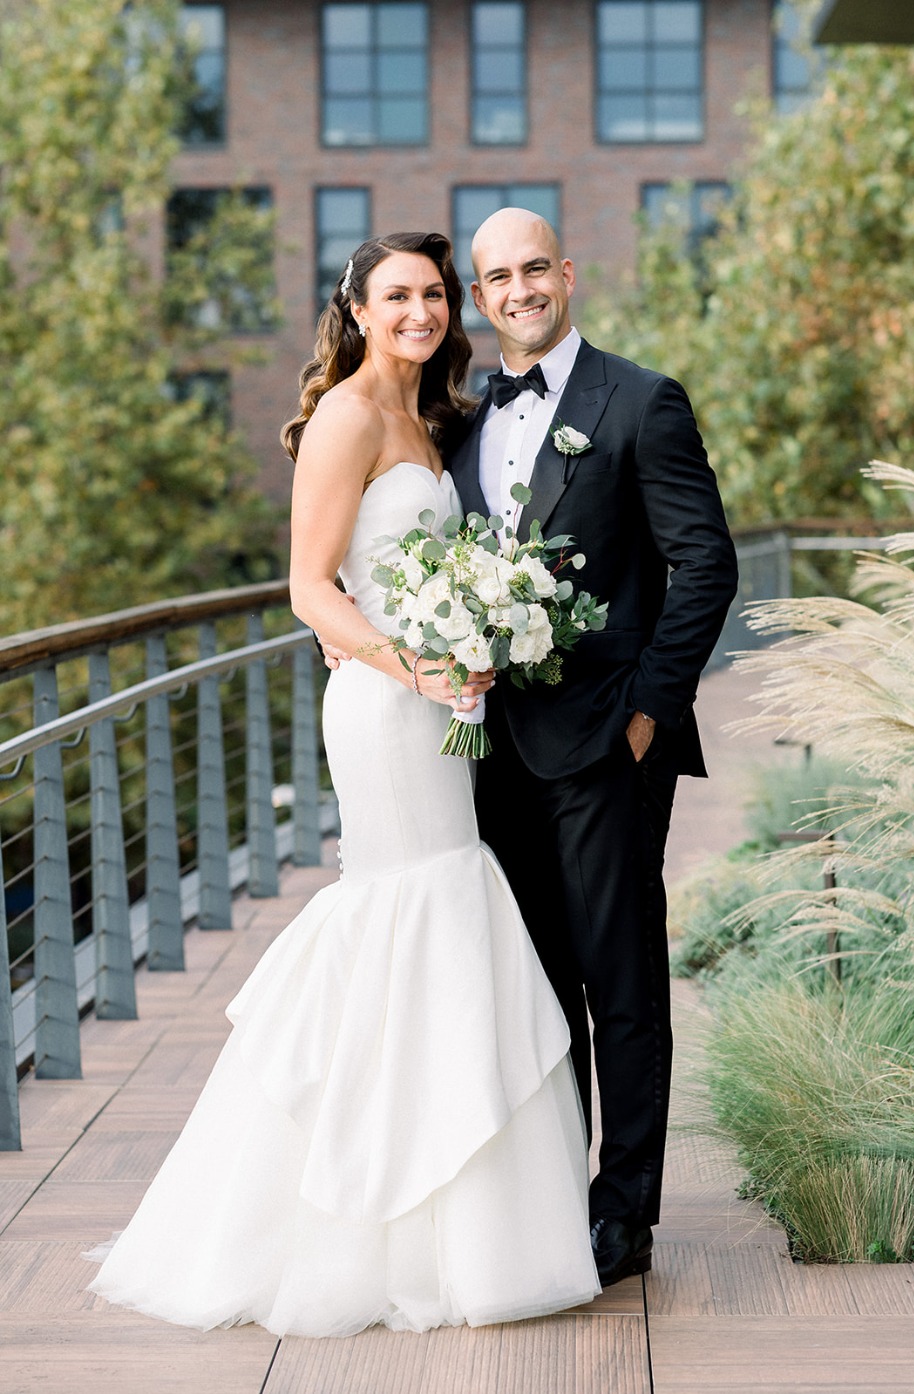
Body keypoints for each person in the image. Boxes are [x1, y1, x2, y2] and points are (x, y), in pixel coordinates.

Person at [85, 231, 600, 1336]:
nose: (419, 309)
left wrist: (475, 645)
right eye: (396, 295)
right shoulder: (349, 417)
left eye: (432, 292)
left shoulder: (434, 419)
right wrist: (405, 661)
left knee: (454, 902)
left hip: (447, 705)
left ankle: (459, 1223)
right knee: (409, 906)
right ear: (359, 311)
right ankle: (358, 1213)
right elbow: (309, 587)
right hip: (383, 709)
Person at [446, 208, 739, 1288]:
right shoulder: (462, 423)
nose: (519, 289)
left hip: (610, 741)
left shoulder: (641, 399)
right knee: (533, 985)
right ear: (480, 299)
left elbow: (704, 563)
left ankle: (624, 1215)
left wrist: (649, 714)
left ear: (566, 274)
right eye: (497, 277)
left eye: (535, 267)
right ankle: (544, 1198)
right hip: (494, 751)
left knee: (620, 980)